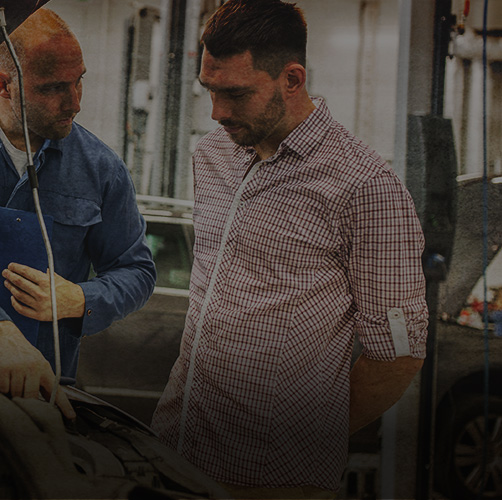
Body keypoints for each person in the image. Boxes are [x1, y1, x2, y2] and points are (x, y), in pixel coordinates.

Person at [150, 1, 428, 497]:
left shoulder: (366, 186)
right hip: (176, 449)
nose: (217, 112)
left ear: (292, 79)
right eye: (209, 90)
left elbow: (398, 355)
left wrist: (295, 438)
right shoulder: (213, 156)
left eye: (236, 93)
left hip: (274, 479)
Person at [0, 8, 156, 419]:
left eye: (79, 82)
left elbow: (136, 271)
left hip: (43, 391)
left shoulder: (101, 168)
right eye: (54, 87)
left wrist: (81, 298)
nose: (74, 102)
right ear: (3, 85)